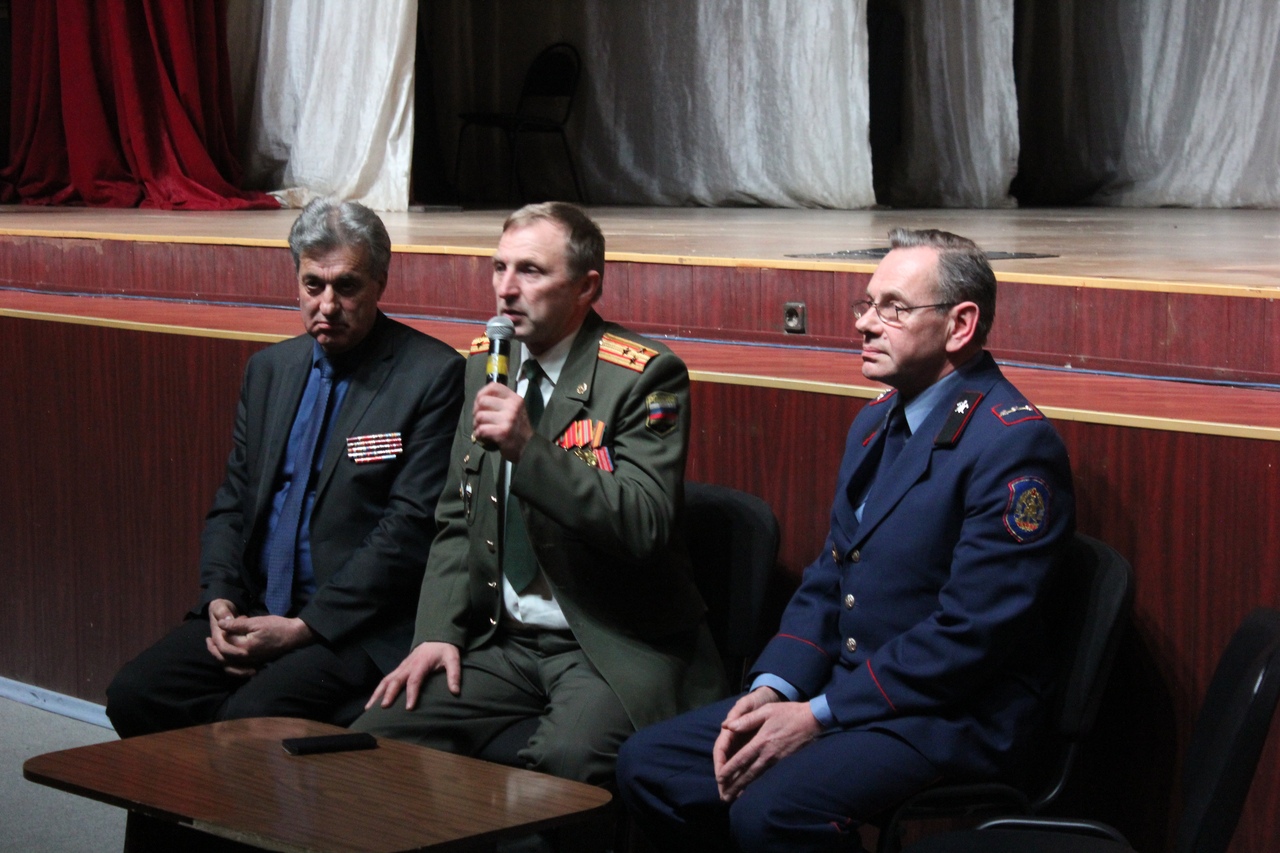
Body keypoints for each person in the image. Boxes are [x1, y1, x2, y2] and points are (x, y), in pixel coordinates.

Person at [616, 228, 1076, 852]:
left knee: (774, 812)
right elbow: (830, 578)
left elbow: (969, 635)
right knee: (651, 764)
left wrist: (815, 715)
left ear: (960, 325)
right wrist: (772, 689)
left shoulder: (1011, 445)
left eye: (893, 308)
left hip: (951, 715)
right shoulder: (876, 420)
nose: (864, 324)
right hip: (850, 692)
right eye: (867, 304)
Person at [353, 202, 725, 786]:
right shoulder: (487, 365)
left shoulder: (644, 376)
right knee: (376, 736)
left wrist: (532, 450)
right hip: (504, 640)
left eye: (530, 271)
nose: (506, 289)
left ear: (586, 287)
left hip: (607, 642)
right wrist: (437, 633)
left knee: (563, 767)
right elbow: (458, 517)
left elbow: (644, 525)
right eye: (499, 267)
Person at [105, 199, 465, 737]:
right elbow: (234, 502)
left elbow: (408, 531)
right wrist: (220, 599)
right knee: (136, 694)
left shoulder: (432, 376)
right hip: (256, 606)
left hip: (354, 626)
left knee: (248, 721)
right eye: (313, 285)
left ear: (380, 283)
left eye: (346, 286)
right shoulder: (269, 370)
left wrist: (302, 628)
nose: (327, 305)